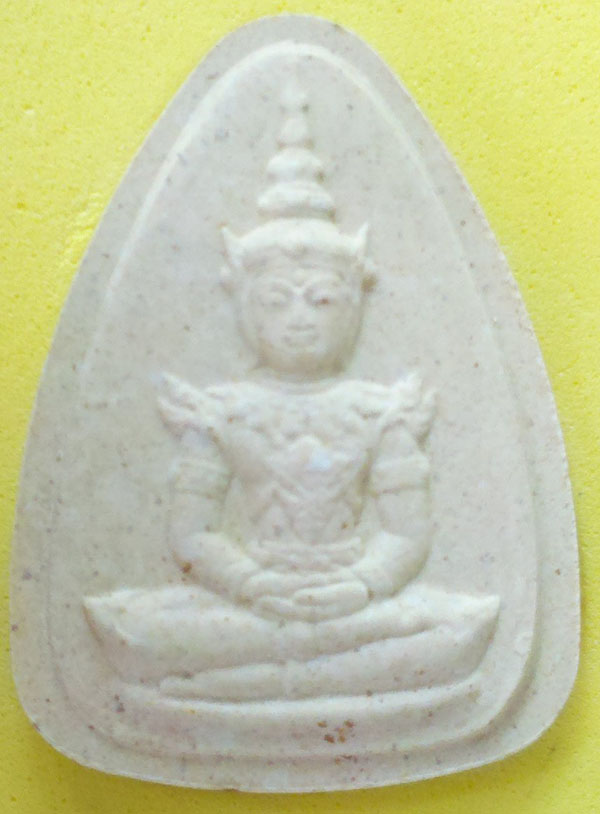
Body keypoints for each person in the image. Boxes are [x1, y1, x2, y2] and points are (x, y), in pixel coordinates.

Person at [85, 88, 498, 701]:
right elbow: (192, 536)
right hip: (252, 600)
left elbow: (407, 536)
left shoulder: (383, 412)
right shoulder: (217, 413)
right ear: (244, 307)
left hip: (356, 600)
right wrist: (254, 585)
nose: (300, 319)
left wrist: (360, 586)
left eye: (322, 300)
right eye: (277, 301)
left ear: (354, 306)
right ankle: (330, 675)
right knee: (138, 625)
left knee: (452, 624)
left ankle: (232, 684)